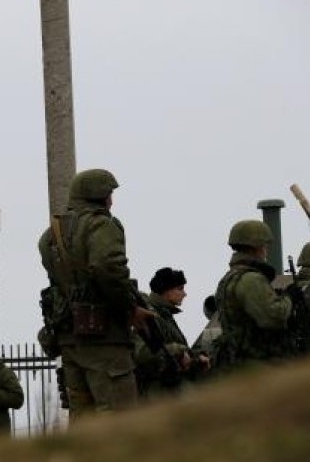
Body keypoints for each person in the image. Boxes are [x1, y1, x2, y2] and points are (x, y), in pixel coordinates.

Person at [38, 169, 153, 418]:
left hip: (70, 338)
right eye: (109, 194)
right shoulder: (101, 224)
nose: (112, 200)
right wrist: (130, 309)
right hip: (104, 339)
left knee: (82, 420)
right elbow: (108, 267)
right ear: (99, 196)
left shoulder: (50, 235)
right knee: (118, 418)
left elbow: (58, 284)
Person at [212, 219, 292, 369]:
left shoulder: (230, 277)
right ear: (257, 247)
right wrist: (288, 299)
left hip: (237, 361)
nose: (266, 251)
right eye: (264, 246)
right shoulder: (251, 279)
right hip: (256, 364)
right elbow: (273, 317)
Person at [134, 268, 210, 398]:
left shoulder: (164, 315)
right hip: (158, 393)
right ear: (167, 291)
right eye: (180, 288)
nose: (184, 294)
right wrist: (178, 351)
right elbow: (142, 353)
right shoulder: (149, 315)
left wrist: (196, 358)